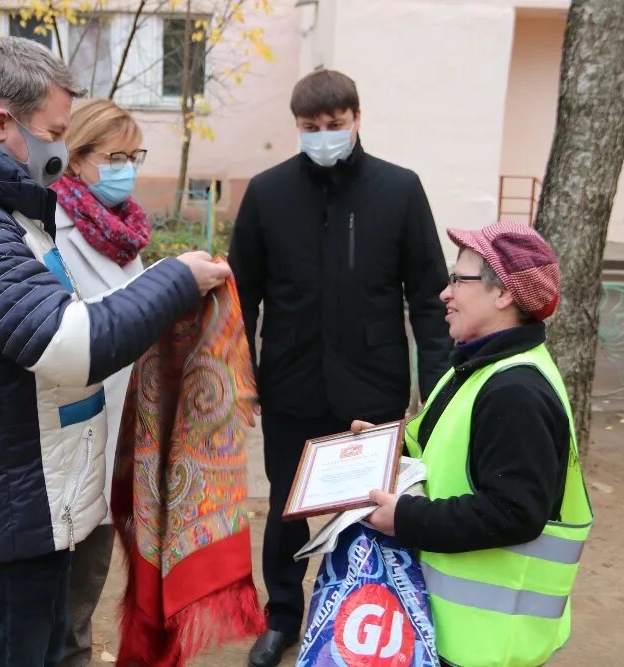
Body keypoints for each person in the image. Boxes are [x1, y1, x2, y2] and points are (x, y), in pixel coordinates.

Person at [0, 37, 230, 667]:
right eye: (55, 133)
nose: (59, 148)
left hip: (24, 493)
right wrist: (174, 281)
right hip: (7, 506)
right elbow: (72, 344)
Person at [228, 68, 453, 667]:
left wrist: (438, 389)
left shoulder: (399, 190)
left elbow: (429, 297)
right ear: (297, 126)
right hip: (292, 384)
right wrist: (241, 375)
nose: (324, 135)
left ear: (357, 119)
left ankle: (365, 612)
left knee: (373, 509)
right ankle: (282, 616)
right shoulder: (267, 193)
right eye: (312, 126)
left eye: (336, 124)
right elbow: (240, 296)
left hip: (373, 387)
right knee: (286, 509)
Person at [359, 222, 594, 667]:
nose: (444, 293)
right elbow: (434, 451)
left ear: (503, 292)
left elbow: (513, 512)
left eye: (457, 280)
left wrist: (404, 518)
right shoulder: (477, 367)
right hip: (455, 629)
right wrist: (377, 449)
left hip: (487, 643)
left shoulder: (515, 391)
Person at [48, 99, 150, 667]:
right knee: (59, 604)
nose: (126, 170)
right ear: (76, 157)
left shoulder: (123, 234)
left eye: (134, 157)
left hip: (115, 444)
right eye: (115, 158)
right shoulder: (51, 231)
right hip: (69, 444)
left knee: (85, 591)